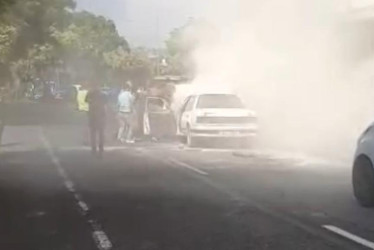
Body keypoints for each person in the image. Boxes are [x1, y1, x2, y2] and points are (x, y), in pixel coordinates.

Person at [85, 81, 107, 156]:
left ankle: (94, 148)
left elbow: (86, 101)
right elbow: (105, 104)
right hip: (100, 115)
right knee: (100, 133)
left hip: (92, 115)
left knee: (93, 133)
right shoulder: (103, 94)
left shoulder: (90, 93)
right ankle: (100, 148)